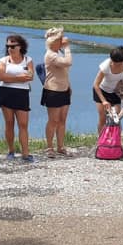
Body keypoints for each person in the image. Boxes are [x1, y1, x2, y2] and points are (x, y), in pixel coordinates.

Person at [0, 34, 35, 162]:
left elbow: (30, 76)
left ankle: (25, 153)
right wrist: (20, 78)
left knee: (23, 124)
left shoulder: (28, 60)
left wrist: (11, 78)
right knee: (9, 123)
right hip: (6, 92)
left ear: (20, 46)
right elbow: (1, 76)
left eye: (13, 46)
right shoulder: (3, 60)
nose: (10, 48)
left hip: (22, 94)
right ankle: (11, 150)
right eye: (8, 46)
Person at [42, 27, 73, 157]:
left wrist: (69, 86)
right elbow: (68, 62)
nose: (63, 41)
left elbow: (64, 71)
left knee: (62, 120)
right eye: (60, 39)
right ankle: (49, 147)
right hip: (53, 90)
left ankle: (60, 146)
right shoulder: (51, 55)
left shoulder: (57, 53)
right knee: (53, 120)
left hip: (64, 89)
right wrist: (67, 48)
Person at [92, 46, 123, 135]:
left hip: (115, 92)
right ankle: (101, 141)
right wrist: (104, 101)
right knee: (102, 117)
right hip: (101, 90)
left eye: (120, 64)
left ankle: (116, 141)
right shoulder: (105, 66)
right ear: (111, 60)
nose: (117, 65)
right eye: (115, 63)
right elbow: (96, 85)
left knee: (116, 118)